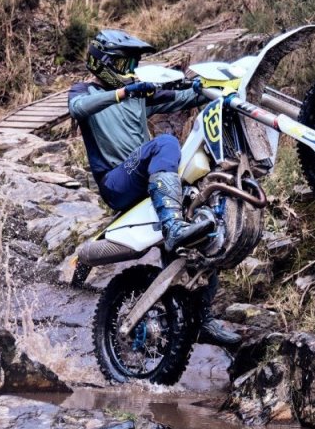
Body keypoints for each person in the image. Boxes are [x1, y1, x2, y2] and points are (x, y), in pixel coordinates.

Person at [68, 29, 241, 348]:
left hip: (148, 180)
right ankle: (173, 226)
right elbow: (78, 109)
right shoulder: (84, 91)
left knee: (197, 233)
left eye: (134, 64)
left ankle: (201, 319)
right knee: (165, 143)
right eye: (126, 63)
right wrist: (124, 92)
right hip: (116, 182)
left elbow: (183, 99)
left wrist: (207, 87)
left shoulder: (137, 96)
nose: (131, 69)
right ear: (103, 62)